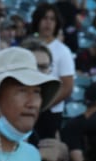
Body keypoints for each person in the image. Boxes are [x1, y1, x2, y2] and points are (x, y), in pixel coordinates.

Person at [29, 4, 74, 149]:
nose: (48, 22)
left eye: (52, 19)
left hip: (49, 111)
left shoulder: (63, 51)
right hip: (28, 105)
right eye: (44, 18)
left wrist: (43, 105)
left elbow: (67, 86)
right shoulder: (28, 46)